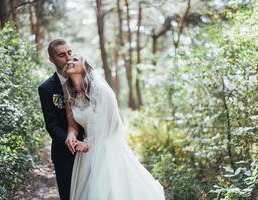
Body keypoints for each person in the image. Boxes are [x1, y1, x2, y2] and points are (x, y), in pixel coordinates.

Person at [63, 54, 166, 200]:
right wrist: (72, 135)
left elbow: (114, 124)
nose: (69, 61)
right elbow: (72, 124)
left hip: (106, 149)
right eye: (68, 60)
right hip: (86, 153)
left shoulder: (100, 89)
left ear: (85, 67)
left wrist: (90, 144)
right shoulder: (70, 94)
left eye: (75, 59)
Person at [38, 39, 83, 200]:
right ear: (52, 60)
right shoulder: (46, 88)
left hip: (91, 149)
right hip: (64, 152)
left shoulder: (87, 81)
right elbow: (51, 124)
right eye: (62, 55)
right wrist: (70, 141)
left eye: (69, 52)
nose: (68, 58)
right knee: (68, 195)